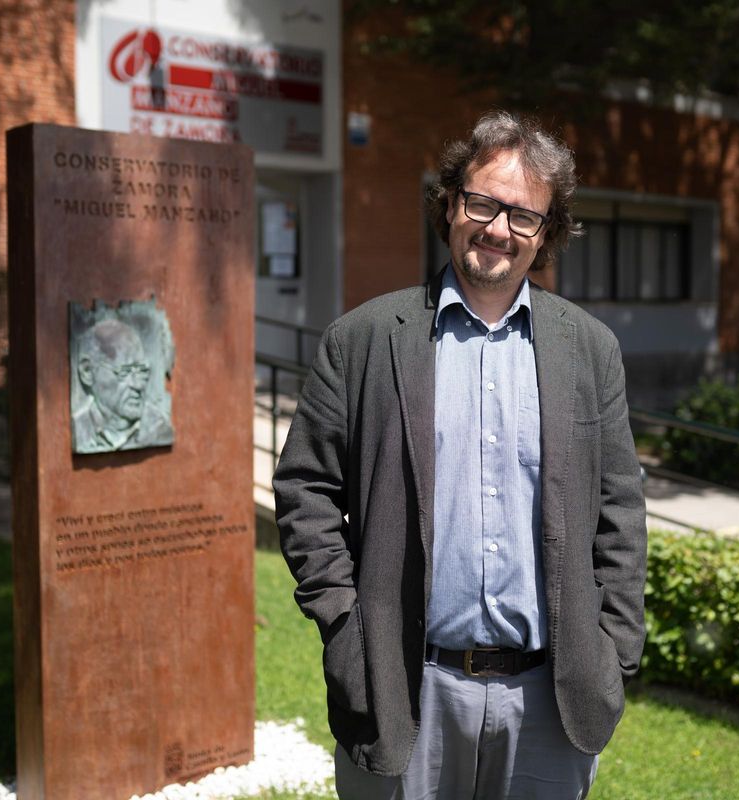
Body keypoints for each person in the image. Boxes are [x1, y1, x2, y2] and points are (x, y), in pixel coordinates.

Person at [273, 110, 647, 799]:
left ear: (548, 233)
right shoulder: (360, 340)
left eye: (524, 216)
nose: (499, 229)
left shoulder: (591, 350)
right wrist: (344, 626)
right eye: (483, 203)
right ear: (451, 203)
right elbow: (305, 491)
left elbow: (619, 508)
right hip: (402, 688)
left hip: (551, 704)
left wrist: (614, 647)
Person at [72, 318, 173, 453]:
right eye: (125, 372)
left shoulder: (158, 427)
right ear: (87, 372)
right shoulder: (76, 430)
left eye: (142, 370)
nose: (138, 386)